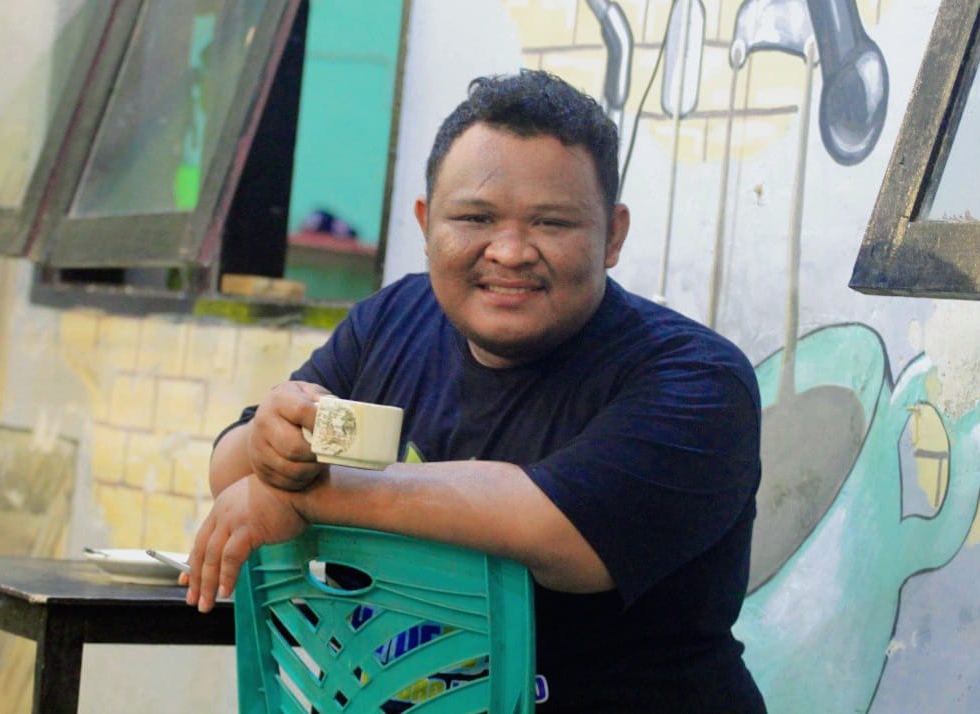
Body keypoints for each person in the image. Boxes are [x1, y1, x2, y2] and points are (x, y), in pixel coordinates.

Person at [186, 69, 766, 713]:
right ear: (425, 224)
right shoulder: (391, 320)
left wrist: (305, 493)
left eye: (552, 222)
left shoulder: (697, 380)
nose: (510, 252)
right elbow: (234, 472)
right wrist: (266, 446)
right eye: (475, 217)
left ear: (614, 235)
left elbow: (554, 529)